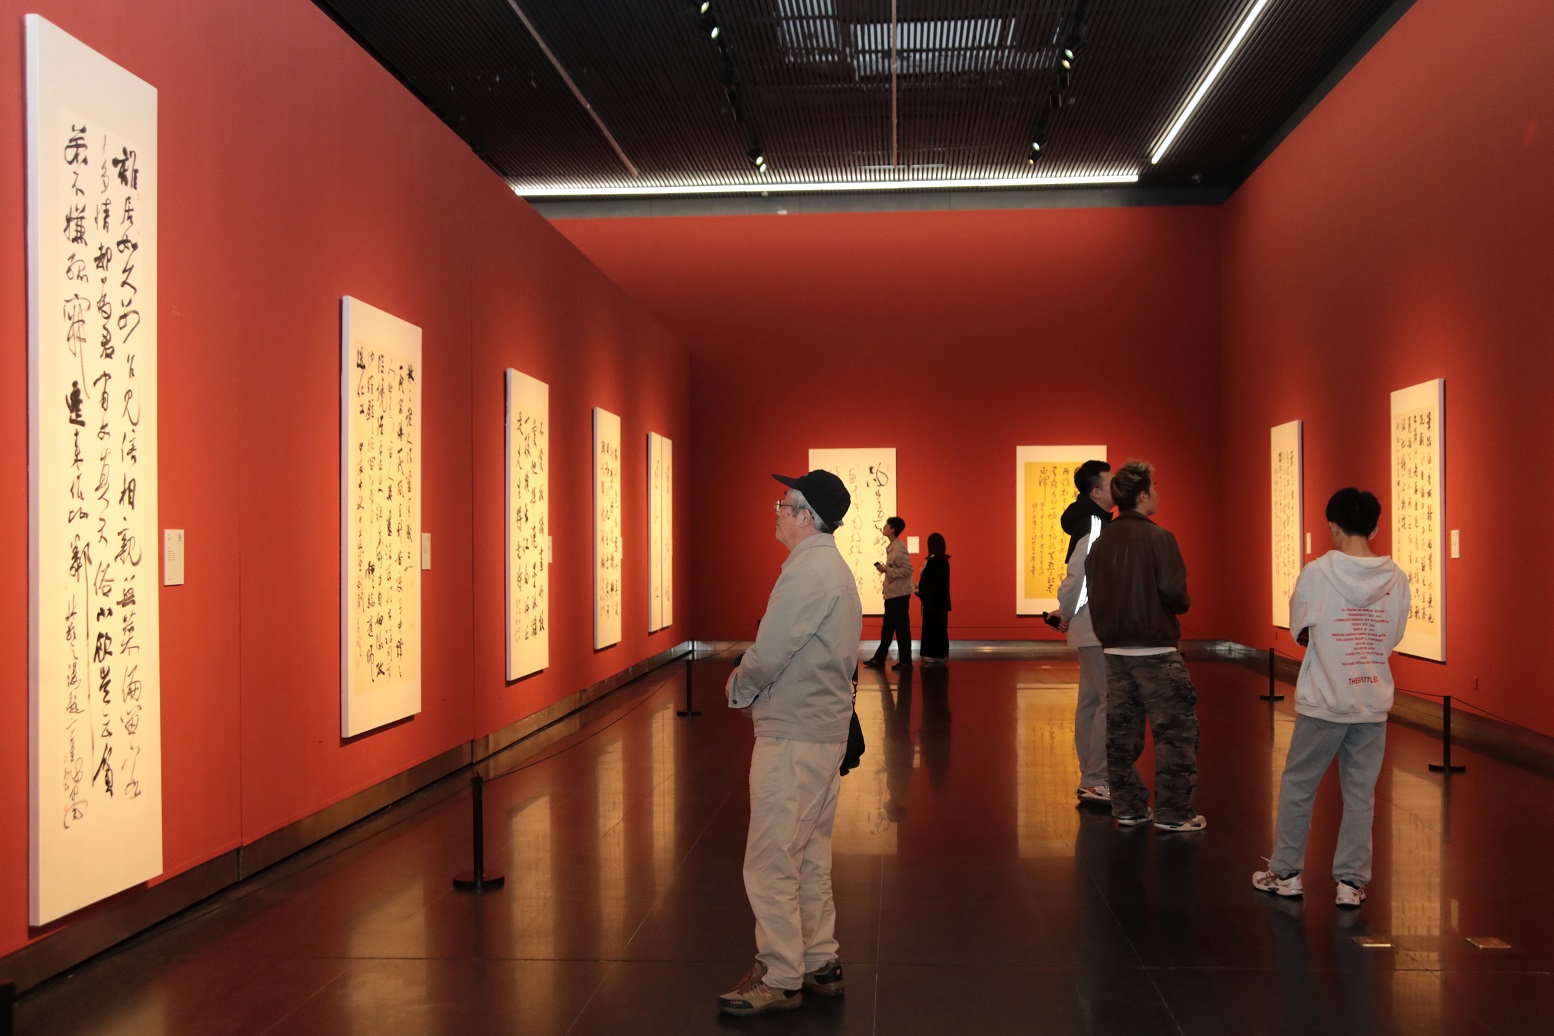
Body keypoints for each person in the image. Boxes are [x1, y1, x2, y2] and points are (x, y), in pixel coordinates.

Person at [719, 469, 863, 1016]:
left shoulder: (807, 572)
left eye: (783, 504)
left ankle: (780, 973)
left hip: (794, 734)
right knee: (808, 854)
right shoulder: (833, 568)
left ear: (805, 516)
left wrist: (738, 685)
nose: (776, 512)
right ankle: (820, 959)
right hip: (820, 730)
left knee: (770, 858)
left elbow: (772, 649)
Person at [1253, 488, 1410, 908]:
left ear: (1333, 527)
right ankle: (1350, 884)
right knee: (1360, 793)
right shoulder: (1396, 578)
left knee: (1299, 784)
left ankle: (1286, 873)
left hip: (1325, 698)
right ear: (1374, 528)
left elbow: (1300, 628)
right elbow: (1393, 636)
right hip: (1371, 699)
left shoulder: (1316, 573)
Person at [1084, 459, 1205, 832]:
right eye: (1155, 486)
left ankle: (1130, 808)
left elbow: (1095, 596)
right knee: (1175, 736)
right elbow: (1177, 597)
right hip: (1156, 652)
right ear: (1141, 494)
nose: (1157, 493)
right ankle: (1174, 813)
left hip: (1115, 654)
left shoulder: (1101, 544)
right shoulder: (1159, 538)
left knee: (1121, 737)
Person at [1056, 491, 1110, 804]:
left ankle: (1091, 775)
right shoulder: (1094, 524)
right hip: (1096, 627)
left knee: (1091, 700)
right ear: (1096, 490)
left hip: (1090, 627)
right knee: (1108, 699)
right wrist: (1065, 611)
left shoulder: (1090, 523)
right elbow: (1079, 581)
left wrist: (1065, 612)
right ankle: (1095, 779)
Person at [862, 516, 913, 670]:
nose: (884, 528)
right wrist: (887, 569)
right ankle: (880, 658)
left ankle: (905, 661)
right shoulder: (893, 546)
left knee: (901, 628)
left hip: (899, 594)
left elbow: (907, 570)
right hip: (894, 594)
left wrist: (887, 570)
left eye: (886, 525)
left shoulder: (899, 548)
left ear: (892, 529)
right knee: (888, 627)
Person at [1062, 459, 1114, 563]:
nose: (1118, 487)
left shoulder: (1093, 521)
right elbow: (1082, 572)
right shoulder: (1094, 525)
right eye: (1113, 484)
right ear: (1097, 492)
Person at [915, 533, 951, 664]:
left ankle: (931, 653)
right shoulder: (944, 561)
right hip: (941, 601)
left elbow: (928, 582)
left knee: (930, 628)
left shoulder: (932, 561)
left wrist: (920, 591)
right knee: (941, 628)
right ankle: (941, 653)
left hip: (931, 601)